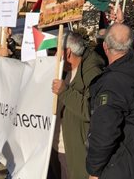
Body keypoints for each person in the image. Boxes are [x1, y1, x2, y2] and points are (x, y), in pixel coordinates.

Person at [86, 23, 134, 179]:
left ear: (105, 47)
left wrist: (93, 169)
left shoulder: (112, 83)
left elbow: (105, 131)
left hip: (120, 165)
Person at [50, 32, 104, 179]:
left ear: (68, 53)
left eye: (57, 50)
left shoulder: (93, 72)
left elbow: (90, 110)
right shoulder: (65, 70)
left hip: (73, 152)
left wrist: (64, 92)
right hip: (57, 147)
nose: (55, 54)